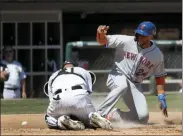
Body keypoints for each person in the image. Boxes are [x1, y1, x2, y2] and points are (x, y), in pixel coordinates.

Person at [96, 21, 168, 124]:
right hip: (118, 74)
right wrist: (100, 34)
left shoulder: (157, 55)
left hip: (135, 84)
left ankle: (114, 114)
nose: (140, 37)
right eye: (138, 34)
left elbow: (159, 76)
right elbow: (103, 41)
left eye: (143, 35)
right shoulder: (126, 41)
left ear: (151, 37)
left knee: (142, 118)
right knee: (122, 86)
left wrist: (161, 95)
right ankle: (99, 114)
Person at [44, 61, 112, 130]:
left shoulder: (54, 75)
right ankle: (92, 116)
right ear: (74, 67)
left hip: (58, 98)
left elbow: (51, 99)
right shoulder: (82, 70)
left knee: (49, 118)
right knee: (88, 115)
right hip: (79, 94)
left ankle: (60, 121)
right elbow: (89, 91)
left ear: (62, 68)